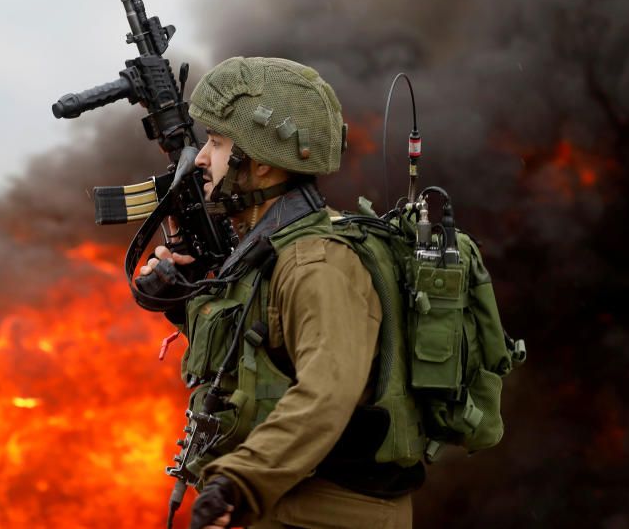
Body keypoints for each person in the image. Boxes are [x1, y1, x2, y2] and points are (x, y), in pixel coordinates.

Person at [139, 57, 421, 528]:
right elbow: (258, 362)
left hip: (324, 513)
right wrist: (184, 302)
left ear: (263, 163)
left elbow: (327, 393)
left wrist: (241, 481)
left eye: (217, 142)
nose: (203, 157)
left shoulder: (318, 263)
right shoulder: (271, 245)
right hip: (283, 503)